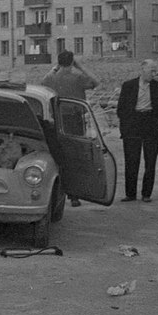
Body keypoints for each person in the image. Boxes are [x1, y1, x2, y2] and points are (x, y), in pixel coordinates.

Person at [41, 50, 99, 207]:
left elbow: (42, 83)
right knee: (75, 155)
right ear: (72, 62)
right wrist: (80, 66)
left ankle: (60, 191)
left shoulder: (52, 78)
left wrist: (55, 68)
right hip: (75, 119)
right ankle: (74, 195)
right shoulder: (78, 77)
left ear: (59, 62)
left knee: (60, 155)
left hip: (57, 120)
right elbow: (95, 82)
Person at [116, 59, 158, 203]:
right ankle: (130, 194)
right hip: (133, 125)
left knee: (150, 161)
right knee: (131, 161)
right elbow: (121, 109)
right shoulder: (128, 86)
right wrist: (126, 126)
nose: (154, 73)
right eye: (151, 70)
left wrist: (157, 125)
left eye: (155, 71)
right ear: (143, 70)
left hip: (151, 124)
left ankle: (146, 194)